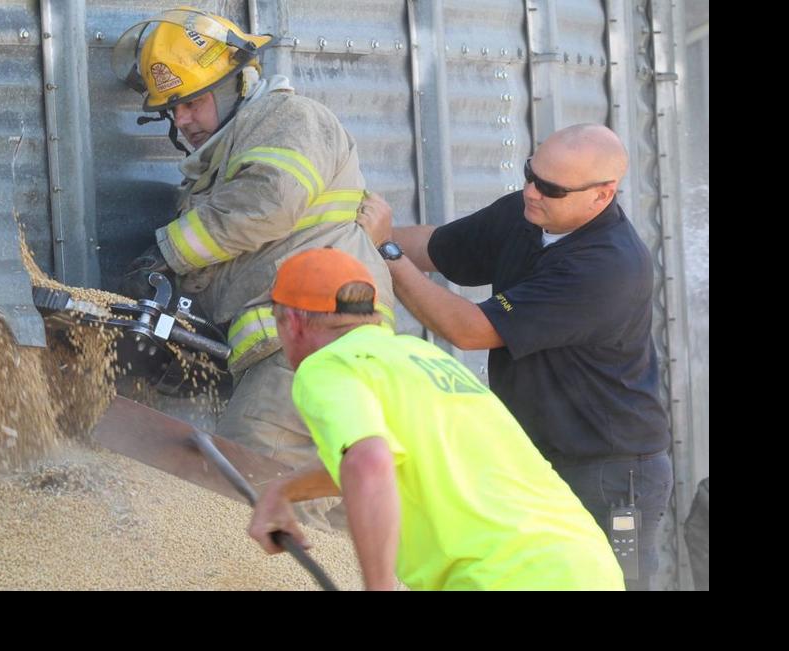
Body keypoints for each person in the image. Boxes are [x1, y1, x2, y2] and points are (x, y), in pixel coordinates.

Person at [112, 7, 394, 527]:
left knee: (249, 508)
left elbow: (269, 202)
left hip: (313, 352)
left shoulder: (289, 119)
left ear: (238, 83)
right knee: (322, 530)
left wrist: (166, 253)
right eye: (172, 110)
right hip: (305, 353)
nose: (182, 121)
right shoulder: (229, 157)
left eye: (193, 102)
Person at [357, 123, 671, 589]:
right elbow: (435, 247)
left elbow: (469, 330)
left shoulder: (607, 267)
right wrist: (355, 235)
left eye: (551, 188)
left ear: (602, 195)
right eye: (530, 173)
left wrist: (385, 251)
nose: (531, 191)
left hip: (608, 473)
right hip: (537, 458)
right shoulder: (528, 213)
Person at [247, 248, 623, 590]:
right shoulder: (420, 355)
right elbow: (377, 461)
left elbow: (369, 462)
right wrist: (283, 491)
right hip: (586, 564)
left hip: (501, 577)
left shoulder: (328, 366)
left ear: (292, 321)